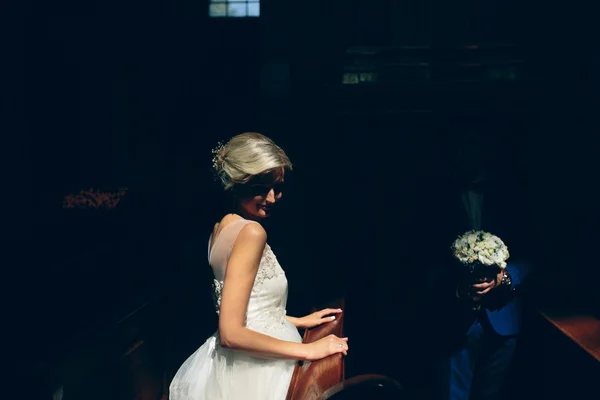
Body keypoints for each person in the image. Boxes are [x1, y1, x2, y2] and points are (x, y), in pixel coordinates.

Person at [169, 132, 349, 400]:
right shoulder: (251, 232)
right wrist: (308, 350)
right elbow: (231, 333)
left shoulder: (220, 228)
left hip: (230, 364)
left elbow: (249, 309)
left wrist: (296, 321)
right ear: (238, 182)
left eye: (278, 188)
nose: (273, 198)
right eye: (261, 188)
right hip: (254, 370)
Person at [412, 126, 532, 400]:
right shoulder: (433, 199)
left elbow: (531, 251)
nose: (462, 154)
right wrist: (457, 289)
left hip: (504, 317)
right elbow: (422, 260)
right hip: (454, 319)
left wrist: (507, 277)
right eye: (456, 147)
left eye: (469, 145)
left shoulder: (510, 194)